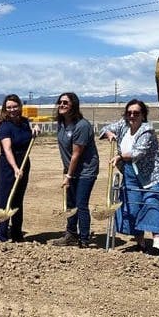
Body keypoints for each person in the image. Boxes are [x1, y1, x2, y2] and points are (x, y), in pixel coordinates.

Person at [100, 99, 159, 255]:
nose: (132, 115)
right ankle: (140, 243)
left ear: (143, 115)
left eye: (136, 113)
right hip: (130, 173)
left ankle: (157, 245)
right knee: (131, 206)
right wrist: (109, 133)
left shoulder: (147, 130)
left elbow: (138, 152)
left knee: (153, 203)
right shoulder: (123, 125)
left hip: (154, 174)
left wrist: (119, 156)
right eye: (129, 112)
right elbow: (105, 128)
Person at [53, 92, 99, 247]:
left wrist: (69, 175)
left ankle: (84, 239)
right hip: (71, 170)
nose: (62, 105)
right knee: (70, 203)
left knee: (81, 204)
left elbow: (76, 154)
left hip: (85, 170)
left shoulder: (82, 126)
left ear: (73, 105)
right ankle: (71, 234)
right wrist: (66, 171)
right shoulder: (61, 124)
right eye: (60, 102)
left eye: (66, 102)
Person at [0, 94, 39, 242]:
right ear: (5, 109)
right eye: (9, 107)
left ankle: (17, 234)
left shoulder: (25, 122)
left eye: (14, 106)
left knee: (18, 200)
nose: (12, 109)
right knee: (5, 199)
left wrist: (35, 130)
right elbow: (7, 149)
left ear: (20, 106)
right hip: (9, 166)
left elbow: (30, 131)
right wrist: (15, 168)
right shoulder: (4, 126)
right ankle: (1, 235)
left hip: (24, 162)